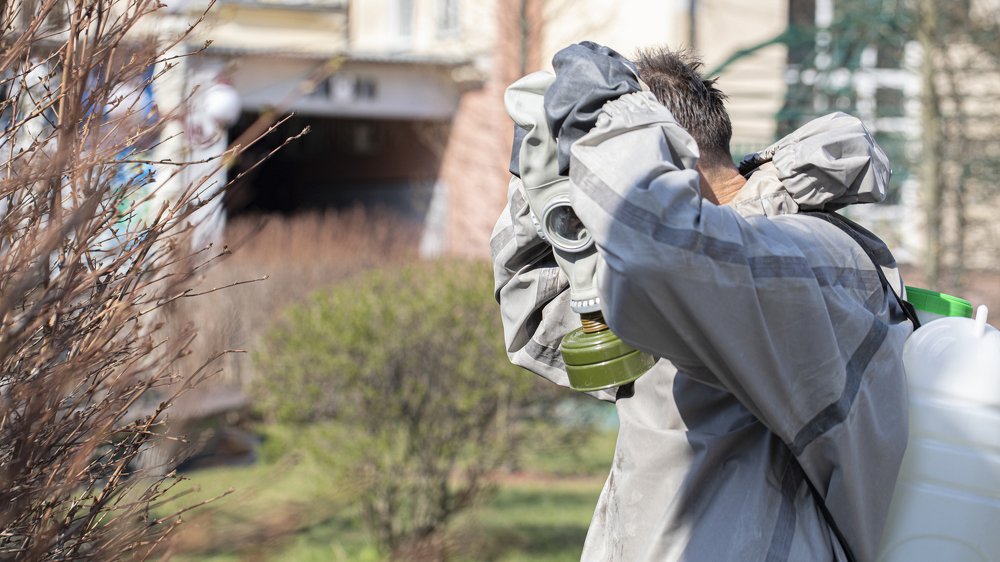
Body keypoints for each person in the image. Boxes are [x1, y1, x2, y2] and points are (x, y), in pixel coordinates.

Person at [491, 43, 913, 562]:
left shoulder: (810, 263)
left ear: (665, 158)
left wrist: (613, 117)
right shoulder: (694, 278)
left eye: (608, 171)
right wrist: (537, 186)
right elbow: (537, 323)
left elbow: (661, 246)